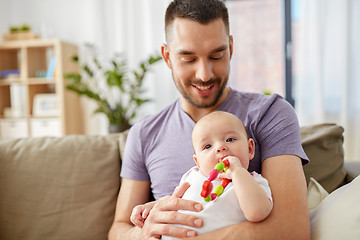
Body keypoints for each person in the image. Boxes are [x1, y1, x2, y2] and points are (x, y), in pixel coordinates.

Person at [108, 0, 310, 239]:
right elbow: (118, 229)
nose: (204, 74)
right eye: (188, 59)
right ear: (167, 56)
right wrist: (141, 235)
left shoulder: (271, 113)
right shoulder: (143, 133)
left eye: (216, 55)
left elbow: (292, 229)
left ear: (231, 48)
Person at [130, 111, 273, 238]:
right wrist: (150, 208)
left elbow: (257, 213)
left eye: (230, 139)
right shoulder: (191, 176)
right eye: (207, 146)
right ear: (197, 162)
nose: (220, 147)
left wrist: (237, 171)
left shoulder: (254, 182)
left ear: (250, 149)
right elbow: (174, 202)